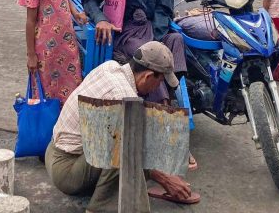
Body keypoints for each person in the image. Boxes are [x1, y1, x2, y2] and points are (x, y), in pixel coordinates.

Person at [45, 41, 198, 211]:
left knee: (129, 141)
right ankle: (100, 208)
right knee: (124, 148)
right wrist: (165, 178)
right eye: (160, 81)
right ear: (148, 76)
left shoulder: (110, 67)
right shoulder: (122, 96)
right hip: (66, 170)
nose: (158, 87)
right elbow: (131, 148)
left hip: (54, 152)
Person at [18, 0, 87, 106]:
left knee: (69, 85)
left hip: (67, 47)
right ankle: (48, 123)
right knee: (46, 88)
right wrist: (31, 55)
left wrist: (76, 13)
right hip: (46, 53)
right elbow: (30, 23)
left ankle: (64, 120)